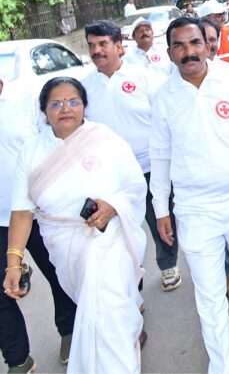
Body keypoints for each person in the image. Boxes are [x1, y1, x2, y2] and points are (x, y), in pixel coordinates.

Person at [150, 17, 229, 373]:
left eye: (194, 43)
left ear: (207, 44)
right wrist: (161, 209)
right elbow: (159, 155)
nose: (188, 52)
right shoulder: (163, 96)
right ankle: (226, 365)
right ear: (170, 52)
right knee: (208, 293)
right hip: (195, 206)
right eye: (179, 46)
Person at [6, 77, 147, 372]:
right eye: (55, 104)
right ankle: (128, 333)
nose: (65, 109)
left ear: (84, 106)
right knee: (99, 312)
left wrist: (112, 206)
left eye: (73, 101)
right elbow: (21, 212)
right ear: (44, 111)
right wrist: (14, 263)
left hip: (109, 239)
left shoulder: (105, 138)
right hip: (64, 244)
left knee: (106, 310)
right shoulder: (31, 151)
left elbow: (134, 185)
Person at [80, 20, 180, 290]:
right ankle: (131, 284)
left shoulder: (145, 78)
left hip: (148, 166)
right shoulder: (84, 88)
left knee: (160, 219)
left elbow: (165, 118)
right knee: (120, 231)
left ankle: (168, 264)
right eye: (91, 46)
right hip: (110, 174)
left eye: (103, 44)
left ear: (119, 47)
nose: (97, 51)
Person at [0, 78, 77, 373]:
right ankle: (18, 358)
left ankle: (70, 329)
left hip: (37, 211)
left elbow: (55, 146)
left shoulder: (27, 100)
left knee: (59, 274)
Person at [198, 0, 229, 64]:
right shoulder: (197, 37)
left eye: (224, 14)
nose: (223, 18)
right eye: (218, 15)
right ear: (206, 18)